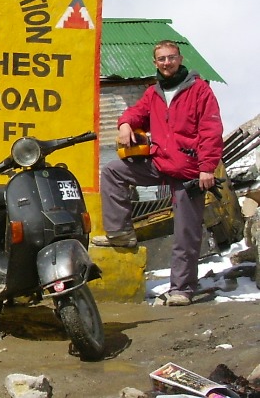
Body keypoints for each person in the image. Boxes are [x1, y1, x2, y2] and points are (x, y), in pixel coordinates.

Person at [93, 40, 223, 306]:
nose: (167, 63)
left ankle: (182, 289)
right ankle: (121, 233)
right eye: (161, 59)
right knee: (114, 172)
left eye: (171, 57)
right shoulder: (154, 92)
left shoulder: (198, 90)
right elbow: (136, 111)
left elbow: (211, 131)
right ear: (155, 63)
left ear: (180, 58)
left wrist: (207, 168)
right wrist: (125, 123)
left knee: (185, 232)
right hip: (160, 162)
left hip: (189, 170)